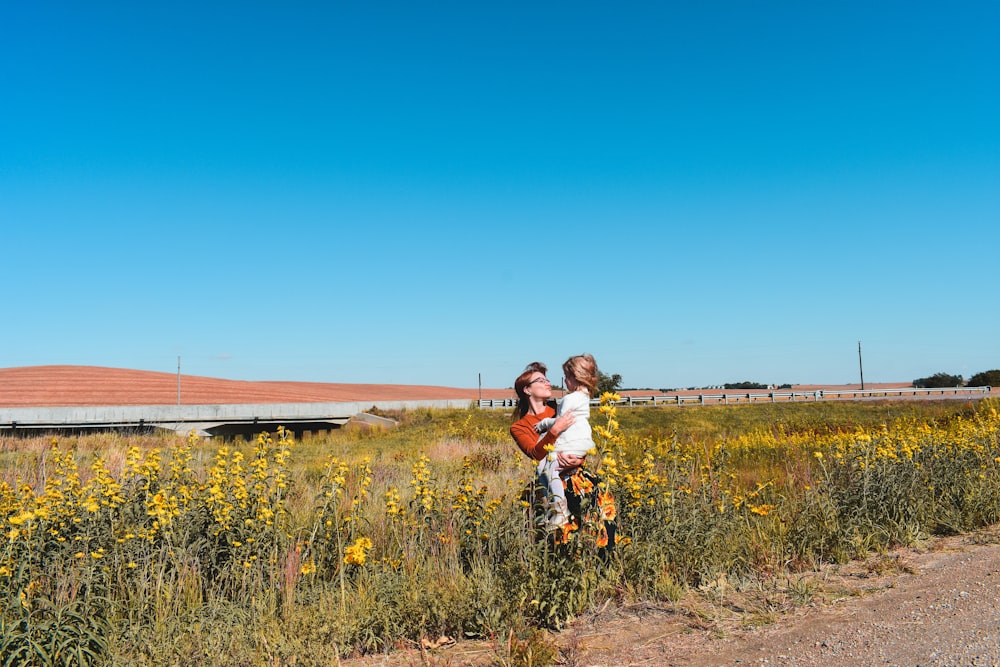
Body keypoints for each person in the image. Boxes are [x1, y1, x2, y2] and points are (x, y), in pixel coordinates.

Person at [510, 361, 617, 551]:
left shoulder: (560, 409)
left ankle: (603, 567)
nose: (548, 382)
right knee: (555, 540)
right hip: (549, 483)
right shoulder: (520, 427)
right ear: (527, 390)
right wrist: (555, 429)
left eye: (547, 379)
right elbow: (535, 453)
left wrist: (580, 458)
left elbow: (579, 436)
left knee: (598, 524)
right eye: (540, 380)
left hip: (575, 477)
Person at [533, 354, 598, 526]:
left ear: (577, 377)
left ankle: (560, 511)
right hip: (579, 443)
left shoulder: (570, 398)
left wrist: (545, 423)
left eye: (567, 376)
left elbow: (561, 423)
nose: (564, 380)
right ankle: (552, 508)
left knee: (550, 471)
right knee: (542, 466)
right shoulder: (584, 397)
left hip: (571, 442)